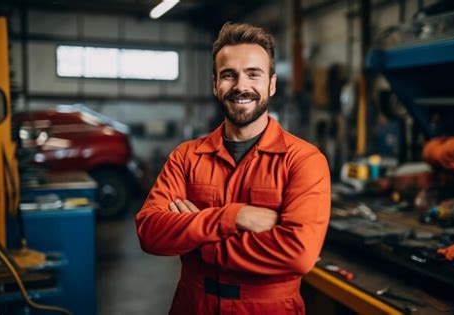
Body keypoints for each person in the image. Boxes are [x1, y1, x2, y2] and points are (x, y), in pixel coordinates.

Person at [136, 22, 331, 315]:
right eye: (229, 75)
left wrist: (203, 243)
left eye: (254, 74)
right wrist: (233, 217)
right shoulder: (186, 157)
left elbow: (298, 254)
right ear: (215, 84)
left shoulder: (303, 160)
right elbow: (150, 232)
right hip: (194, 305)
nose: (241, 86)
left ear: (272, 84)